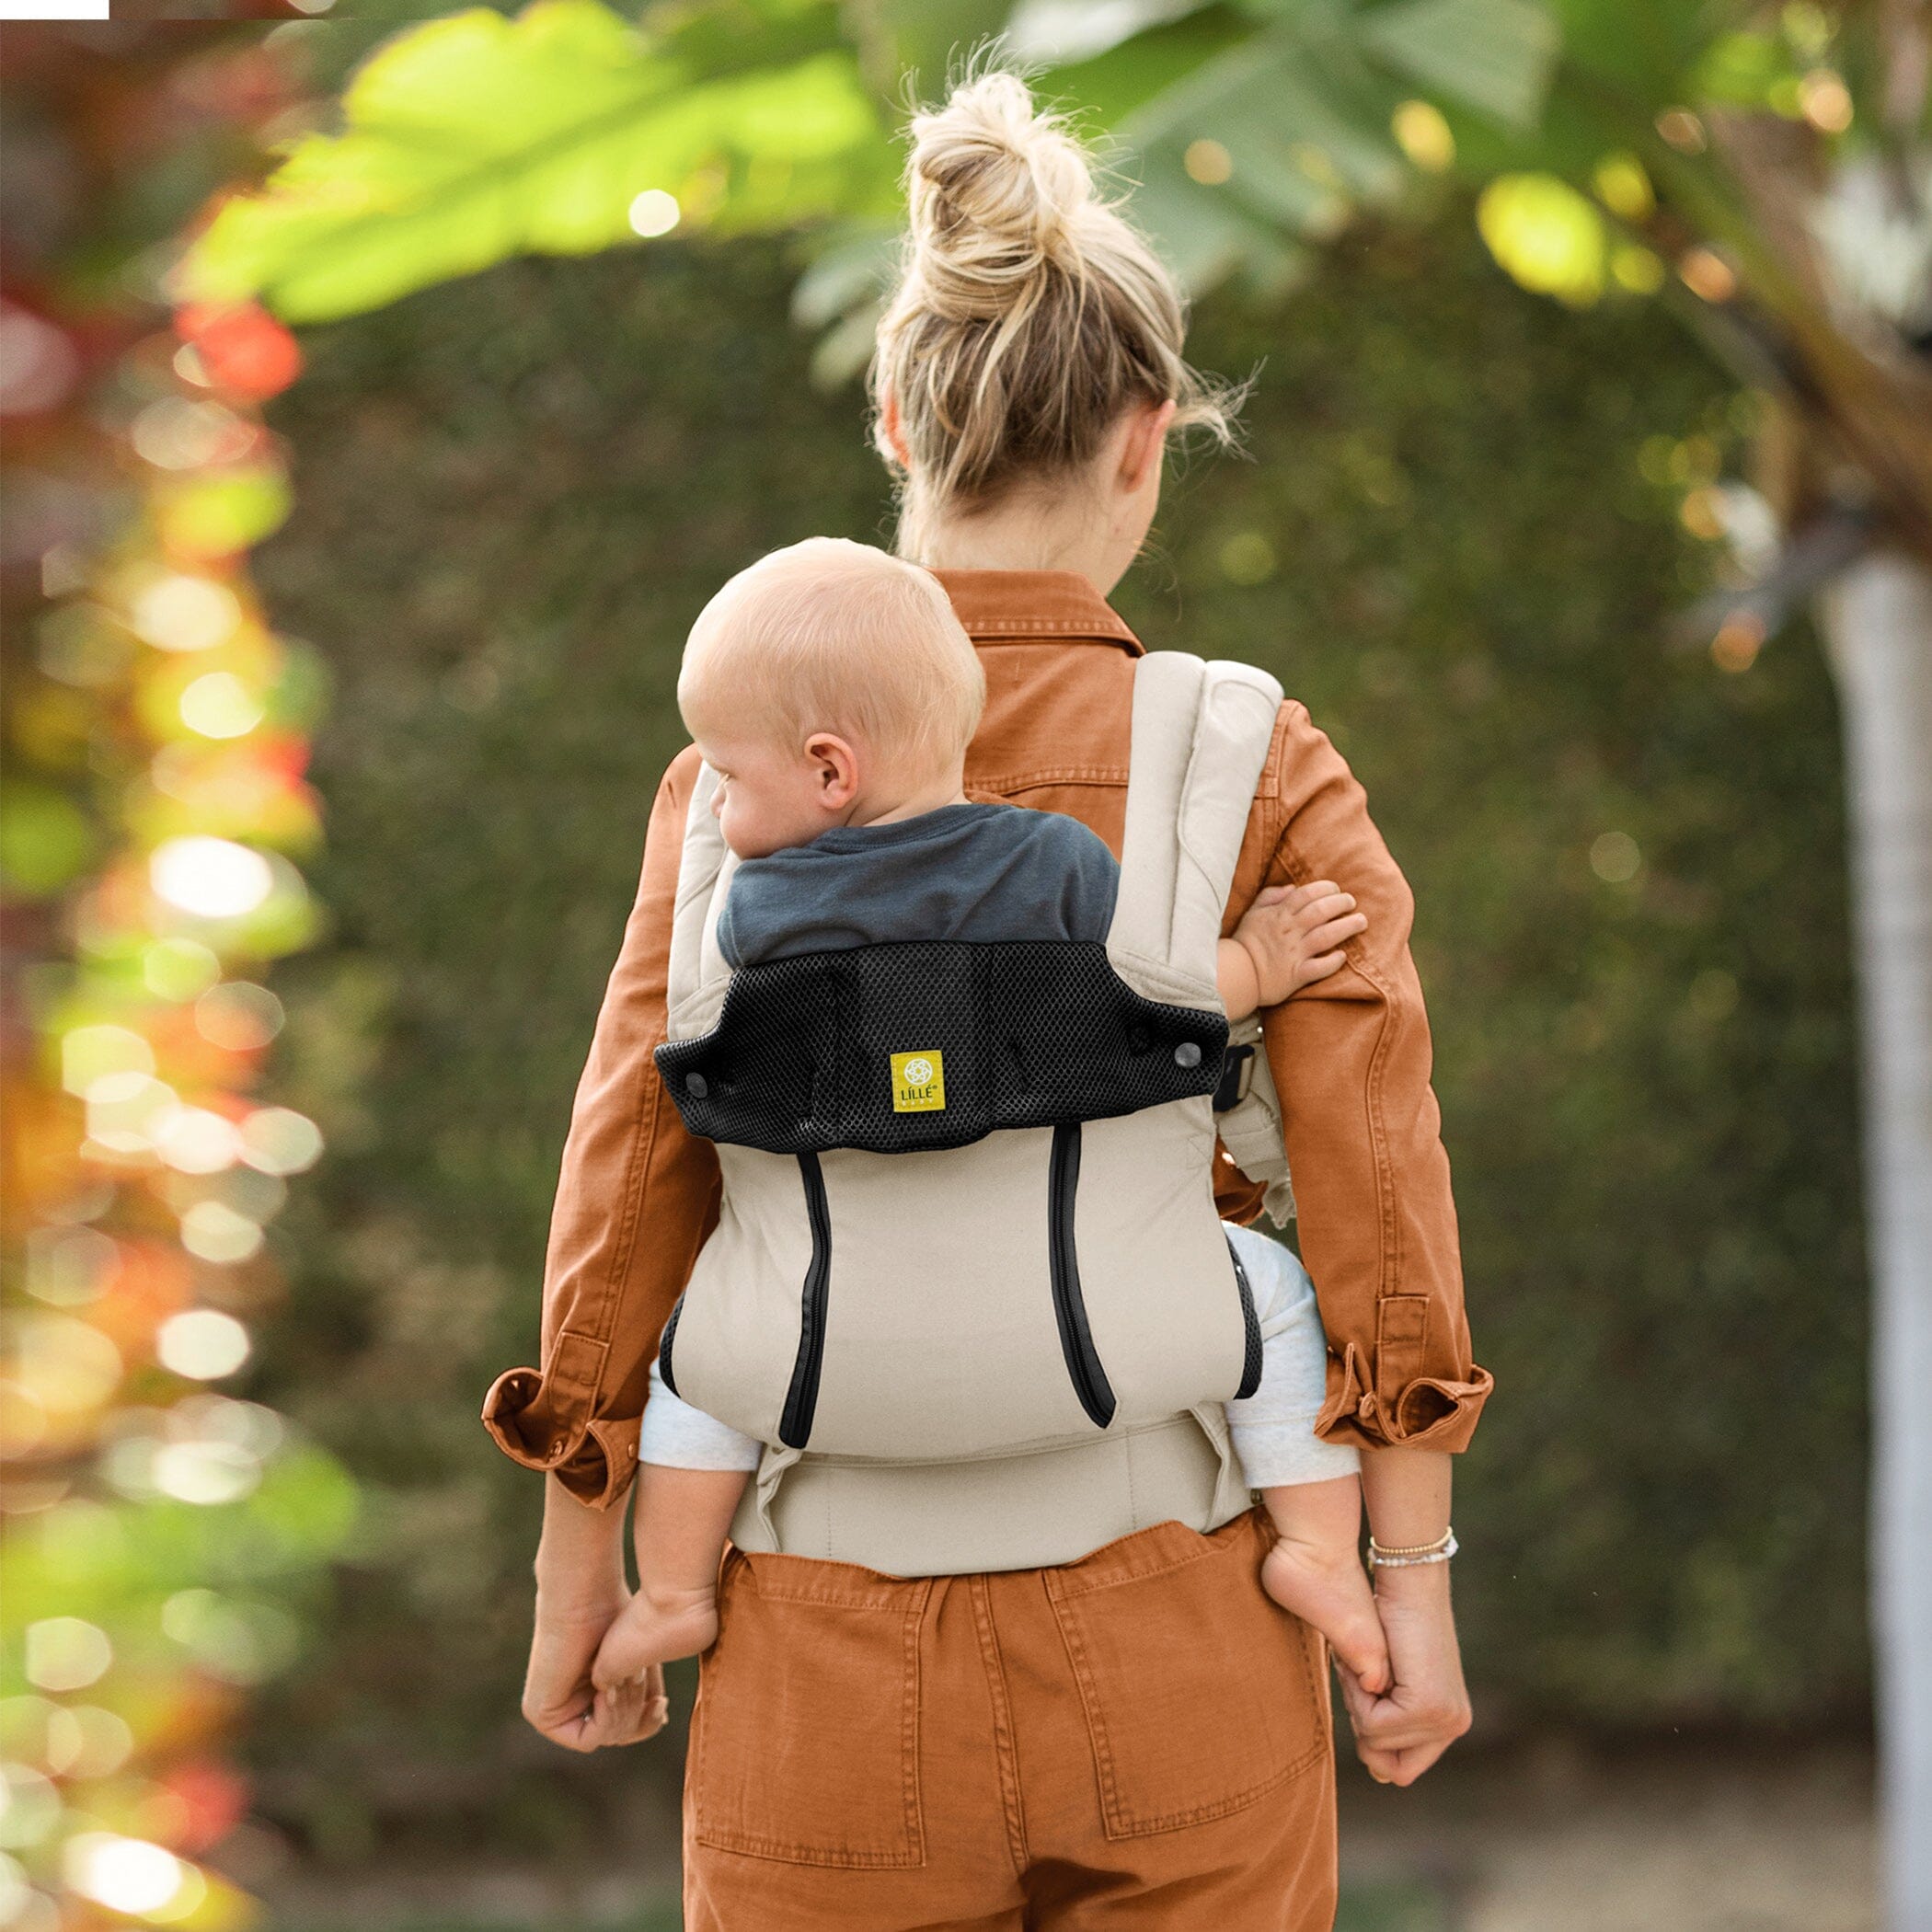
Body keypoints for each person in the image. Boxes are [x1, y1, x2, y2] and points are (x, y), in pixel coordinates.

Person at [486, 66, 1491, 1931]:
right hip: (1183, 1612)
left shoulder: (736, 788)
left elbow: (631, 1190)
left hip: (816, 1652)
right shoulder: (1246, 753)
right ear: (1144, 435)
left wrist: (583, 1584)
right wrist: (1410, 1584)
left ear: (892, 418)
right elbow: (1373, 1186)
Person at [584, 535, 1386, 1693]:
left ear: (827, 772)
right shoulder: (1061, 868)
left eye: (725, 771)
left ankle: (670, 1591)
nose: (714, 795)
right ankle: (1316, 1547)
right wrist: (1257, 962)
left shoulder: (750, 917)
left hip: (817, 1349)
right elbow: (1150, 994)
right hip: (1078, 1334)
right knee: (1274, 1294)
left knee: (690, 1361)